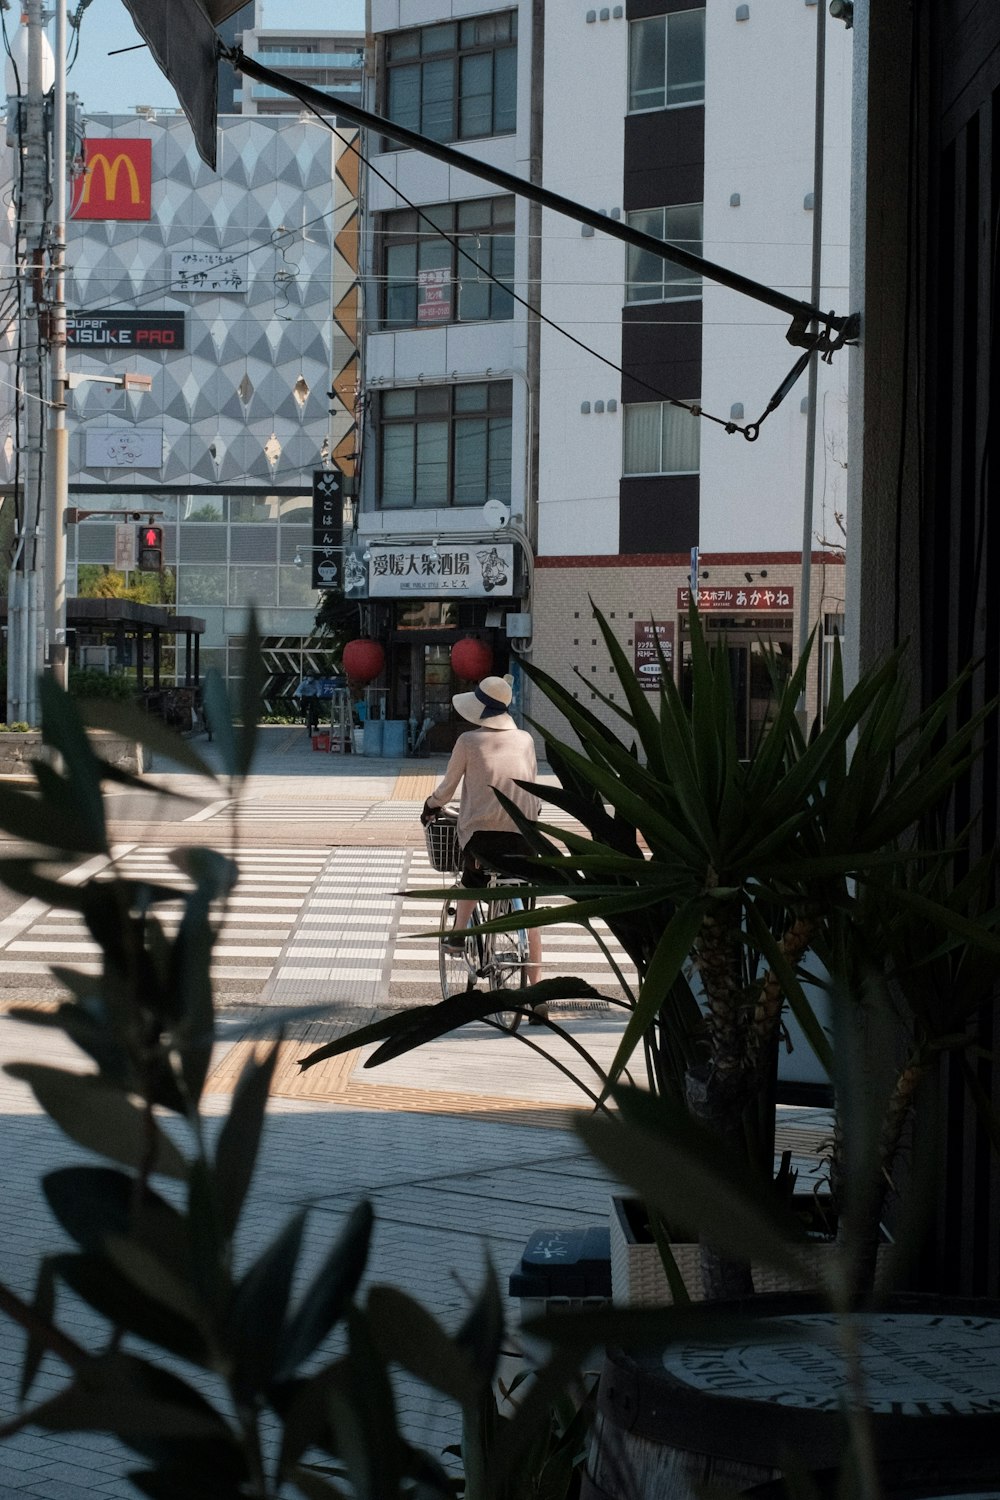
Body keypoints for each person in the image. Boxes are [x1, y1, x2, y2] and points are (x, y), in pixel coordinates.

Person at [421, 673, 544, 1004]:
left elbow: (446, 790)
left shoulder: (468, 742)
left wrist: (430, 806)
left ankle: (459, 937)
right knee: (530, 911)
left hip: (483, 839)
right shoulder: (526, 740)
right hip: (526, 839)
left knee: (472, 877)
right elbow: (532, 785)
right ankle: (537, 993)